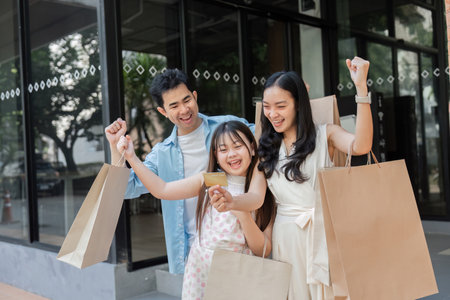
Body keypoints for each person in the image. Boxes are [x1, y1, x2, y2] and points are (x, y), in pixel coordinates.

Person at [104, 69, 254, 274]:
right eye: (174, 106)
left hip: (238, 243)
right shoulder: (162, 154)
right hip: (193, 250)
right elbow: (126, 189)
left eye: (187, 100)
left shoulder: (229, 126)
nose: (184, 110)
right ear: (163, 112)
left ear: (195, 96)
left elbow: (269, 140)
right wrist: (115, 147)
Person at [255, 57, 373, 299]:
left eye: (280, 105)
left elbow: (361, 146)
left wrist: (361, 89)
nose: (272, 114)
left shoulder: (326, 134)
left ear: (299, 104)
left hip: (324, 236)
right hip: (285, 239)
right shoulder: (266, 145)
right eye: (267, 106)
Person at [116, 121, 274, 300]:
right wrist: (131, 157)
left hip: (239, 273)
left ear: (252, 149)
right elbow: (162, 189)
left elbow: (264, 249)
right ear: (215, 154)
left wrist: (244, 216)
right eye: (223, 149)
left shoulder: (261, 191)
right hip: (201, 271)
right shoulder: (211, 180)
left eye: (238, 146)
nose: (231, 154)